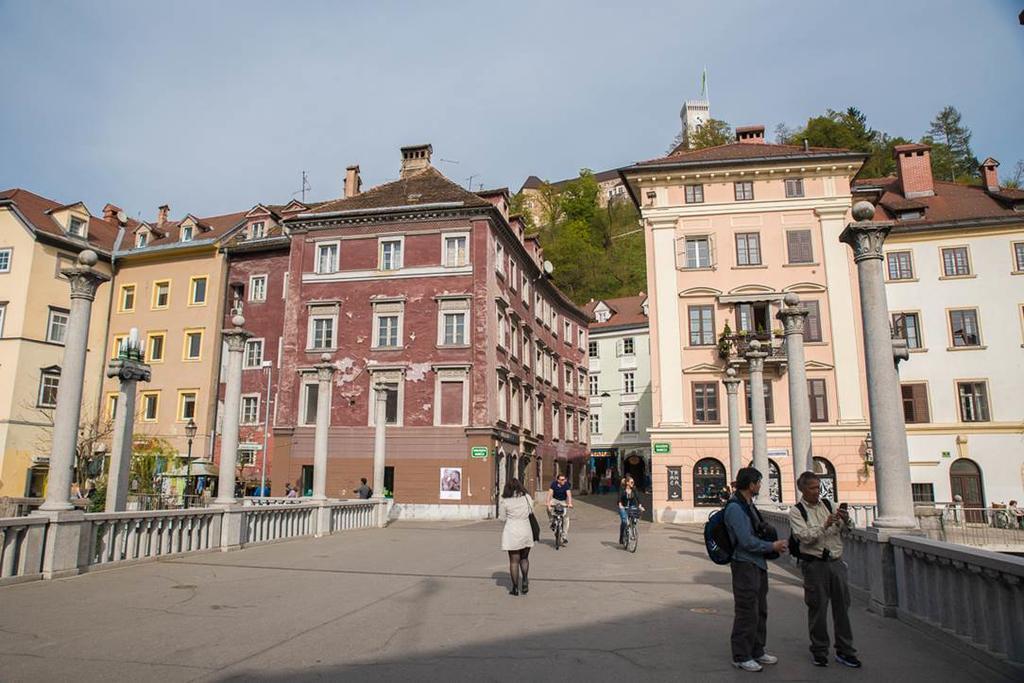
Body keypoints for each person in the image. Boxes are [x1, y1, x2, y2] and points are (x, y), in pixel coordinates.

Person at [789, 471, 861, 668]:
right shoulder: (797, 511)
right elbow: (804, 537)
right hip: (814, 565)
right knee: (818, 609)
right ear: (802, 489)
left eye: (817, 487)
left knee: (842, 609)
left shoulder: (829, 505)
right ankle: (819, 650)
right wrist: (824, 525)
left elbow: (849, 529)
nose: (816, 491)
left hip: (836, 562)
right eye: (812, 488)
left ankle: (845, 651)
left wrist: (846, 520)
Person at [724, 467, 789, 673]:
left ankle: (757, 649)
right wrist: (772, 546)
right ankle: (741, 655)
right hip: (744, 564)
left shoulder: (749, 505)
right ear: (751, 484)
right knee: (746, 611)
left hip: (757, 563)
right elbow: (745, 541)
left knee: (760, 609)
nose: (760, 486)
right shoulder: (735, 508)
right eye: (759, 482)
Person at [498, 478, 534, 596]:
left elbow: (502, 518)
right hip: (526, 529)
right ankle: (524, 580)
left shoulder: (505, 500)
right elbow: (531, 511)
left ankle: (514, 588)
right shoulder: (527, 498)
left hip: (512, 531)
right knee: (524, 558)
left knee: (514, 561)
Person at [546, 472, 573, 543]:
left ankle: (564, 537)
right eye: (562, 480)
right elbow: (549, 494)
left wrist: (569, 503)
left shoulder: (566, 485)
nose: (563, 481)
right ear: (558, 480)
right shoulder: (554, 484)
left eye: (564, 479)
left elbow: (569, 495)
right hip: (555, 500)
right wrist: (548, 504)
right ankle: (552, 522)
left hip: (563, 501)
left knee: (566, 518)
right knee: (548, 508)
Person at [618, 475, 645, 545]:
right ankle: (622, 537)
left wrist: (640, 505)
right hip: (623, 506)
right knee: (624, 521)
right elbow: (619, 498)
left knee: (634, 518)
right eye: (631, 482)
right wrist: (620, 505)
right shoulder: (622, 489)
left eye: (633, 482)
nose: (633, 483)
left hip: (631, 506)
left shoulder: (634, 489)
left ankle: (633, 530)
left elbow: (638, 497)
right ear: (627, 483)